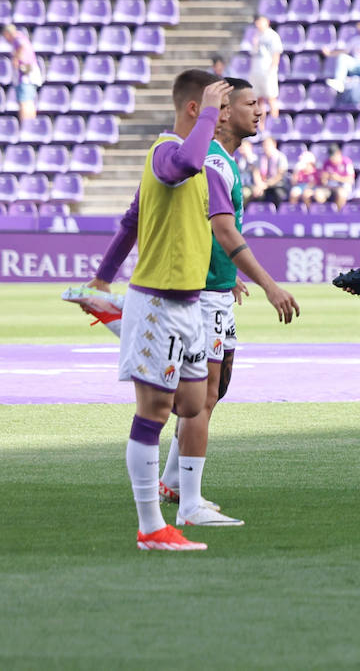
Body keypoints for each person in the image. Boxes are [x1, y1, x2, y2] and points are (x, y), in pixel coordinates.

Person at [92, 78, 300, 528]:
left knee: (205, 395)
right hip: (186, 296)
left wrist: (229, 278)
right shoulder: (191, 156)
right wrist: (266, 284)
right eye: (244, 104)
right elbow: (220, 229)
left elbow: (155, 221)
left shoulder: (218, 161)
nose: (257, 111)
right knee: (189, 401)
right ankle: (179, 506)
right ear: (208, 110)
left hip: (208, 291)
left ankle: (174, 489)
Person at [88, 71, 230, 550]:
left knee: (191, 405)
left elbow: (133, 219)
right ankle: (151, 527)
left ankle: (118, 321)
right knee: (154, 411)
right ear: (195, 109)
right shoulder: (168, 151)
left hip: (189, 305)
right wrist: (210, 111)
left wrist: (102, 277)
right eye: (215, 111)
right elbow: (185, 161)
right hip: (160, 303)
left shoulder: (197, 163)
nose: (221, 121)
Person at [3, 23, 40, 121]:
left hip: (25, 75)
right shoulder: (22, 37)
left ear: (7, 34)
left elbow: (22, 47)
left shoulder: (17, 38)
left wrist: (15, 58)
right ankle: (30, 124)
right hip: (30, 74)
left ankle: (25, 125)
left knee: (24, 102)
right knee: (29, 101)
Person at [248, 16, 282, 118]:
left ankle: (274, 124)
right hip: (256, 72)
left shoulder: (272, 36)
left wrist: (272, 70)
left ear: (267, 22)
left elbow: (276, 54)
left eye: (261, 21)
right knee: (258, 100)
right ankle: (261, 126)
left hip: (267, 72)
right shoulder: (256, 36)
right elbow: (253, 53)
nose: (259, 24)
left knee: (271, 98)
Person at [253, 135, 290, 206]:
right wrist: (259, 184)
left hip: (279, 185)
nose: (265, 147)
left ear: (274, 145)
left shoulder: (281, 157)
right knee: (257, 194)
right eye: (264, 145)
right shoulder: (260, 158)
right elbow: (256, 172)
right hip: (263, 185)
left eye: (268, 145)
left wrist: (265, 185)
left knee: (278, 194)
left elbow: (279, 176)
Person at [316, 145, 355, 209]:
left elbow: (351, 180)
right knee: (319, 194)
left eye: (334, 156)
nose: (332, 159)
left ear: (338, 153)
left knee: (341, 194)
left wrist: (338, 178)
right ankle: (324, 213)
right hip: (329, 187)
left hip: (342, 186)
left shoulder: (346, 162)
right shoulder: (327, 163)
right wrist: (324, 178)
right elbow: (323, 182)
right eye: (331, 156)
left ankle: (338, 215)